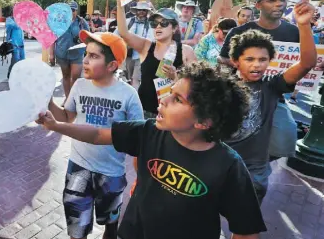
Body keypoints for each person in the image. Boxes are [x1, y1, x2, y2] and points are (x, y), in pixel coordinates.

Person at [37, 61, 266, 239]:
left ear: (204, 121)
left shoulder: (229, 166)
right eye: (170, 92)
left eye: (177, 99)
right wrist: (57, 126)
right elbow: (98, 134)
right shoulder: (150, 131)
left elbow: (245, 230)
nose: (164, 101)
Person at [47, 30, 143, 239]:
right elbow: (66, 117)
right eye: (86, 55)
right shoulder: (80, 86)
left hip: (111, 173)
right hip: (78, 168)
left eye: (93, 56)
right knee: (76, 226)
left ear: (112, 66)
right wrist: (47, 102)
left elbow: (137, 136)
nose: (85, 61)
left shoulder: (128, 95)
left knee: (110, 223)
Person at [225, 0, 316, 204]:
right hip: (221, 164)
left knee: (246, 225)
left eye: (262, 60)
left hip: (254, 172)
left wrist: (303, 25)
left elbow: (308, 63)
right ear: (236, 61)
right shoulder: (222, 87)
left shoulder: (272, 85)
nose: (257, 65)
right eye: (249, 59)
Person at [219, 0, 301, 160]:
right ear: (258, 5)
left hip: (274, 94)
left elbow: (304, 62)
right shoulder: (238, 31)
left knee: (286, 134)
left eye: (282, 0)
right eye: (272, 0)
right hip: (240, 92)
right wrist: (245, 65)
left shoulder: (294, 32)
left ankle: (262, 166)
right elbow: (222, 59)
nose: (279, 4)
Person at [116, 0, 196, 118]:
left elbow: (195, 84)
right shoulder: (146, 46)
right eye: (154, 23)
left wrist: (175, 77)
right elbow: (124, 33)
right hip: (144, 111)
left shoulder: (186, 51)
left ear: (175, 28)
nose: (158, 27)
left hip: (172, 113)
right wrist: (120, 5)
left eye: (164, 23)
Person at [49, 1, 90, 104]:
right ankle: (68, 99)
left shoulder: (81, 22)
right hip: (62, 53)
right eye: (69, 10)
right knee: (66, 76)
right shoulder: (59, 22)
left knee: (75, 77)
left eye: (73, 10)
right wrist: (51, 54)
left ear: (76, 11)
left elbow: (89, 37)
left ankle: (73, 98)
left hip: (77, 53)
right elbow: (52, 38)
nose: (71, 12)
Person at [114, 1, 153, 90]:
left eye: (144, 10)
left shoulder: (150, 25)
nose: (141, 12)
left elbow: (150, 41)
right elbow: (115, 34)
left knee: (136, 80)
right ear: (136, 11)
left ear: (147, 12)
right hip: (126, 55)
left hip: (141, 56)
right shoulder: (127, 22)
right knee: (124, 77)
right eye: (139, 10)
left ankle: (136, 100)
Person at [5, 7, 25, 78]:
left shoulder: (20, 20)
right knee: (15, 60)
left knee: (22, 60)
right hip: (14, 43)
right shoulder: (9, 20)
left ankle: (19, 74)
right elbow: (10, 28)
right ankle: (10, 72)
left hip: (21, 43)